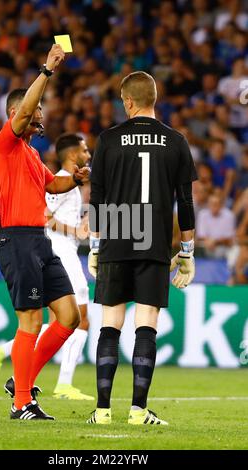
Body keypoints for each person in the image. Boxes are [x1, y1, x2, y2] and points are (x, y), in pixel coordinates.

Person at [87, 71, 197, 425]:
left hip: (117, 236)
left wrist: (94, 245)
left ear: (129, 102)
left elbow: (98, 199)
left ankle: (102, 410)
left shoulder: (108, 139)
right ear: (154, 98)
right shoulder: (176, 140)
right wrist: (187, 253)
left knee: (110, 325)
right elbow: (187, 202)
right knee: (146, 325)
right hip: (153, 240)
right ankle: (138, 410)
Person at [0, 44, 89, 421]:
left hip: (40, 242)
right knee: (30, 319)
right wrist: (46, 71)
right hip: (17, 240)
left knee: (68, 317)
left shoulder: (30, 153)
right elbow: (28, 106)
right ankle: (21, 404)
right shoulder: (5, 144)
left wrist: (74, 179)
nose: (40, 117)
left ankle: (22, 380)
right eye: (35, 113)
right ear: (16, 115)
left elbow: (52, 187)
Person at [0, 133, 94, 401]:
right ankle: (60, 384)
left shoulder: (68, 181)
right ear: (71, 154)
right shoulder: (55, 176)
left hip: (57, 248)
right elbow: (45, 215)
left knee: (65, 318)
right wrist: (75, 230)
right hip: (56, 248)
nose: (89, 155)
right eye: (85, 150)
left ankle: (8, 362)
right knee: (75, 317)